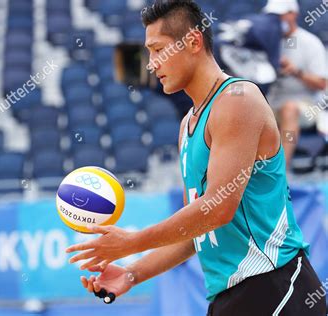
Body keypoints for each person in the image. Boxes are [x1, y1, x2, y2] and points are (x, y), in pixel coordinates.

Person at [65, 1, 326, 315]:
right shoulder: (188, 123)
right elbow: (200, 228)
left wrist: (132, 242)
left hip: (276, 284)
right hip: (231, 296)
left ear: (193, 41)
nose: (150, 64)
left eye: (158, 49)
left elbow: (217, 210)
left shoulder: (237, 100)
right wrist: (133, 273)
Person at [264, 0, 327, 168]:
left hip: (307, 105)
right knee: (246, 108)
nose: (276, 19)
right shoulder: (267, 41)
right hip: (273, 102)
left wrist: (296, 72)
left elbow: (322, 84)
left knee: (289, 108)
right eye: (273, 16)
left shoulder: (310, 42)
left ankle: (280, 172)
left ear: (293, 14)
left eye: (280, 15)